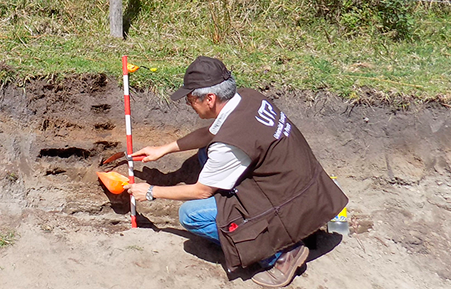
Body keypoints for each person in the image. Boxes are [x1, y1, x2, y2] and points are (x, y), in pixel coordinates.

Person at [124, 56, 348, 287]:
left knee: (191, 215)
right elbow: (210, 134)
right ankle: (283, 229)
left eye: (190, 99)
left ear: (210, 98)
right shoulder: (247, 99)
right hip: (302, 187)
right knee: (206, 154)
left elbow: (201, 192)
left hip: (290, 201)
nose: (189, 104)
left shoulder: (230, 143)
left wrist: (151, 191)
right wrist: (163, 150)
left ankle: (279, 255)